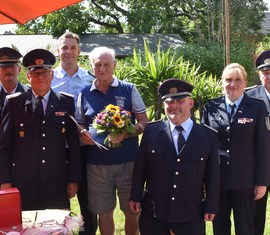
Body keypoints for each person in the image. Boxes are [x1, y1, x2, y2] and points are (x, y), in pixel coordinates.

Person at [129, 78, 220, 235]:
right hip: (155, 213)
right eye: (169, 102)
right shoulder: (151, 132)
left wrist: (211, 205)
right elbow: (140, 168)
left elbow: (213, 176)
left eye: (180, 101)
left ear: (190, 104)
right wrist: (135, 196)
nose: (174, 106)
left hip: (190, 214)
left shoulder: (207, 136)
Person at [76, 46, 148, 235]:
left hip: (128, 163)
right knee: (103, 213)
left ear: (114, 65)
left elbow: (143, 121)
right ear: (92, 67)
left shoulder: (129, 89)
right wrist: (83, 133)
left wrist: (127, 134)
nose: (102, 69)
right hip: (97, 165)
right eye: (97, 65)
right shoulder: (84, 93)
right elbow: (80, 123)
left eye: (106, 64)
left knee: (132, 211)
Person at [0, 49, 82, 210]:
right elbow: (5, 147)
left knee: (56, 229)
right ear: (28, 76)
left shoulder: (65, 102)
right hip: (24, 182)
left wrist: (73, 178)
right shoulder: (14, 103)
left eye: (45, 73)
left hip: (56, 181)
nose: (40, 78)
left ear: (52, 75)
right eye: (35, 74)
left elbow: (73, 145)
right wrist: (5, 181)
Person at [201, 63, 270, 235]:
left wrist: (262, 182)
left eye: (238, 80)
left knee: (246, 227)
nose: (233, 84)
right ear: (221, 82)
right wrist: (202, 179)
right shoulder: (211, 107)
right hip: (218, 180)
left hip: (246, 180)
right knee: (220, 227)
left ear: (245, 82)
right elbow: (203, 147)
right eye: (228, 80)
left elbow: (263, 147)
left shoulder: (257, 107)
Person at [51, 31, 97, 235]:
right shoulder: (47, 77)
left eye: (72, 48)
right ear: (58, 51)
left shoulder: (90, 79)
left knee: (88, 202)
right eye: (64, 47)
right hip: (56, 149)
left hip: (84, 148)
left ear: (79, 51)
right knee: (57, 201)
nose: (68, 51)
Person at [246, 50, 270, 235]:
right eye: (265, 72)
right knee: (256, 216)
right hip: (257, 169)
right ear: (259, 74)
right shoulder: (249, 98)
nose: (269, 76)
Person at [0, 47, 29, 118]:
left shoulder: (30, 94)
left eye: (12, 66)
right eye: (4, 66)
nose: (8, 70)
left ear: (19, 69)